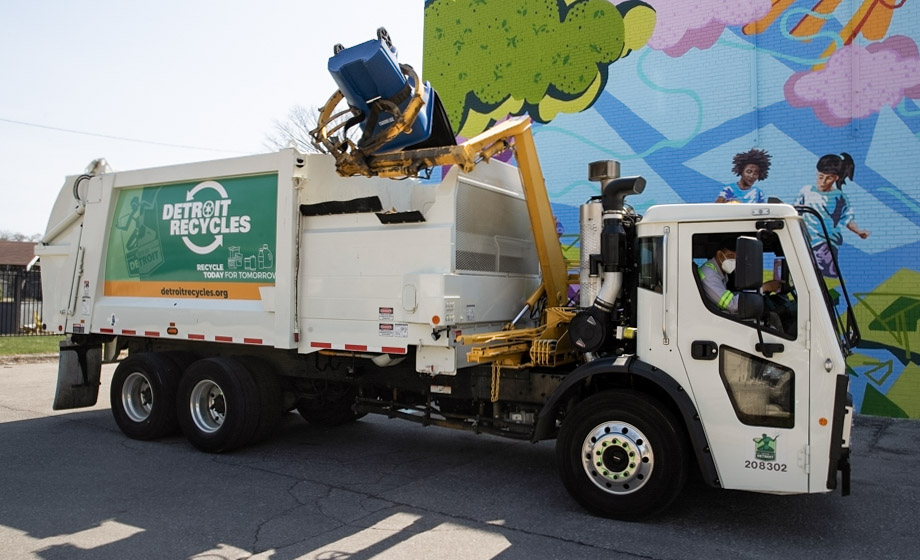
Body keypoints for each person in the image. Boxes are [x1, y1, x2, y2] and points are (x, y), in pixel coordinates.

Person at [795, 153, 869, 278]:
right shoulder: (806, 191)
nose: (823, 182)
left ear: (836, 178)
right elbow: (796, 213)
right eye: (820, 177)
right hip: (806, 241)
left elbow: (847, 218)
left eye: (828, 178)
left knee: (824, 276)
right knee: (804, 275)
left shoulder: (838, 196)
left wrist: (859, 232)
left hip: (825, 242)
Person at [698, 244, 782, 315]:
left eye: (736, 257)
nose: (734, 260)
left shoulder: (720, 272)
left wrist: (758, 289)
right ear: (719, 255)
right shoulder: (709, 274)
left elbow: (729, 296)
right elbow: (731, 305)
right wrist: (764, 288)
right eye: (730, 256)